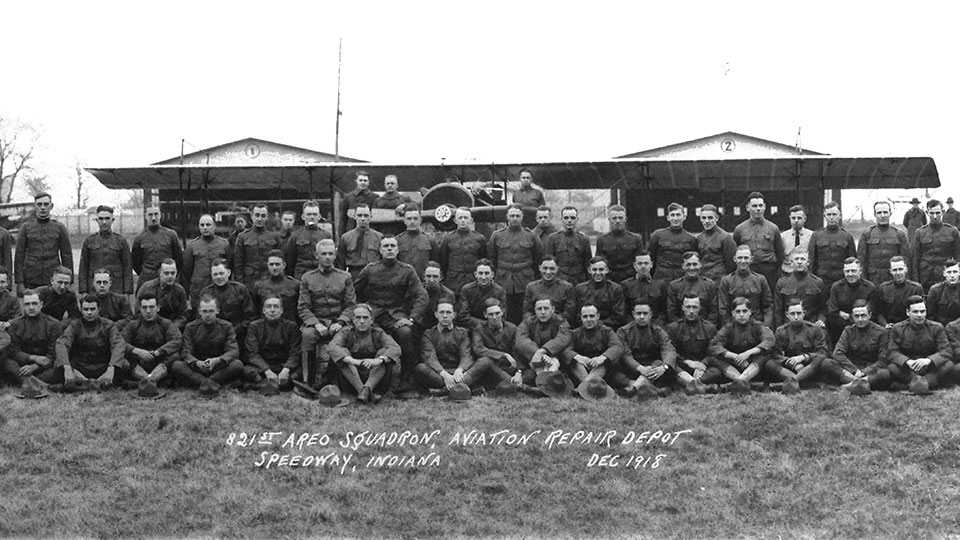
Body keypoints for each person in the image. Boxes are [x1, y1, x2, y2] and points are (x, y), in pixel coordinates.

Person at [354, 236, 428, 385]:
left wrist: (411, 318)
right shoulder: (370, 269)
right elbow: (354, 291)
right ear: (380, 250)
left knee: (405, 332)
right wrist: (361, 310)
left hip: (396, 314)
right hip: (373, 314)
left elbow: (421, 295)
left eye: (392, 246)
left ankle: (407, 376)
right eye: (386, 246)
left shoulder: (407, 270)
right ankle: (363, 375)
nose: (389, 249)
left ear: (398, 249)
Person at [298, 239, 356, 392]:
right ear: (316, 256)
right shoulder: (307, 278)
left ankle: (329, 377)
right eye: (324, 254)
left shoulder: (345, 277)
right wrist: (316, 323)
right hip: (317, 322)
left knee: (341, 337)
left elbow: (351, 305)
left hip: (338, 321)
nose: (328, 257)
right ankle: (308, 382)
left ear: (335, 255)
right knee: (307, 335)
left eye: (331, 254)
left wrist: (341, 322)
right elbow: (303, 307)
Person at [328, 303, 400, 402]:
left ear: (371, 320)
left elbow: (395, 348)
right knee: (343, 352)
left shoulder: (378, 333)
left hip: (376, 379)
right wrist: (352, 360)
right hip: (351, 380)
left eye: (365, 318)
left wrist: (378, 360)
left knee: (383, 352)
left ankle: (366, 390)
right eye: (358, 318)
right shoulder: (346, 332)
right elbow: (332, 347)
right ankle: (364, 391)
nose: (362, 321)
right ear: (353, 320)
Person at [414, 301, 492, 393]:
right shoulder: (428, 334)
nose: (445, 316)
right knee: (421, 368)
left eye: (448, 312)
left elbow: (466, 354)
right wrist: (444, 374)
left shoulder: (462, 333)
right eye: (441, 312)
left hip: (459, 373)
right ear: (436, 315)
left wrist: (460, 370)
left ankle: (444, 390)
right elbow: (430, 357)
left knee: (484, 361)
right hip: (439, 374)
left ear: (454, 315)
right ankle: (462, 388)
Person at [172, 295, 244, 393]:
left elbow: (233, 350)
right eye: (205, 311)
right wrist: (197, 363)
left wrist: (218, 360)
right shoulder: (191, 327)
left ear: (217, 311)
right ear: (199, 312)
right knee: (177, 365)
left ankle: (204, 383)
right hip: (198, 367)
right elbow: (186, 352)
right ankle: (210, 383)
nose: (208, 315)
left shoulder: (227, 326)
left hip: (218, 367)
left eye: (211, 311)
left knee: (237, 365)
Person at [54, 294, 127, 388]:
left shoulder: (109, 325)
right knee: (58, 365)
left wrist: (112, 367)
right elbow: (62, 343)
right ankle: (94, 382)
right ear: (81, 310)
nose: (89, 313)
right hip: (80, 366)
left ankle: (85, 383)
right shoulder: (74, 326)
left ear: (99, 309)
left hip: (103, 366)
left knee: (124, 364)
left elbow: (118, 344)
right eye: (85, 309)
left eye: (92, 309)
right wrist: (67, 367)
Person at [886, 295, 954, 394]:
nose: (919, 315)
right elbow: (892, 352)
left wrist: (929, 360)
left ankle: (913, 385)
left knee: (949, 364)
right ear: (907, 312)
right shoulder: (898, 328)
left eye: (922, 311)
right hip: (909, 369)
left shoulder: (936, 327)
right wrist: (907, 361)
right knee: (892, 367)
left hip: (929, 367)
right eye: (915, 312)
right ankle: (925, 384)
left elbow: (946, 351)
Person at [709, 296, 776, 394]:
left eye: (744, 311)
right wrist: (734, 356)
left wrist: (749, 353)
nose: (741, 315)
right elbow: (714, 345)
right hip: (734, 363)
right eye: (738, 311)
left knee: (766, 355)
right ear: (733, 313)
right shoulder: (728, 328)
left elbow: (769, 340)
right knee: (714, 358)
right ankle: (742, 381)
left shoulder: (757, 326)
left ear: (750, 312)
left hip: (753, 364)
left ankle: (739, 381)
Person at [488, 203, 542, 324]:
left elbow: (538, 259)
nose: (515, 218)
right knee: (505, 311)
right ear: (507, 216)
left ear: (522, 217)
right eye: (512, 215)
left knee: (524, 311)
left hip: (525, 280)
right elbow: (492, 259)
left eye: (518, 215)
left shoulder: (531, 235)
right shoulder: (497, 235)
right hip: (503, 281)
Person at [821, 299, 891, 392]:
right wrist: (855, 370)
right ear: (853, 317)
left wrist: (863, 372)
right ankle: (859, 384)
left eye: (863, 316)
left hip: (870, 370)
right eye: (856, 316)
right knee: (826, 363)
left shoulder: (881, 332)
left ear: (870, 315)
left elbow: (882, 360)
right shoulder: (848, 330)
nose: (860, 319)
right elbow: (838, 353)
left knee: (885, 374)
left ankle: (849, 385)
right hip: (851, 370)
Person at [665, 293, 724, 394]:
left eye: (694, 307)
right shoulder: (673, 328)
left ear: (700, 308)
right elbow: (670, 351)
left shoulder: (709, 328)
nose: (691, 311)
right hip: (682, 366)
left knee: (717, 372)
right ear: (683, 308)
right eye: (688, 307)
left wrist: (702, 364)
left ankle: (689, 384)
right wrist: (688, 362)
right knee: (669, 368)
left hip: (702, 368)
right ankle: (705, 387)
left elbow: (713, 351)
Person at [15, 192, 72, 295]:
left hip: (52, 279)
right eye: (39, 204)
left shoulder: (59, 228)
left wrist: (69, 281)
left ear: (51, 206)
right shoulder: (26, 227)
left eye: (46, 204)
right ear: (35, 206)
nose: (42, 208)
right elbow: (19, 256)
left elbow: (67, 256)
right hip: (31, 279)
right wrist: (20, 282)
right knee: (31, 308)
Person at [768, 299, 830, 393]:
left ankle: (788, 383)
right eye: (792, 314)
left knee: (823, 360)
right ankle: (800, 381)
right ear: (787, 315)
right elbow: (775, 354)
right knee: (769, 363)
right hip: (791, 368)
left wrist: (804, 357)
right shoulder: (781, 331)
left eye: (799, 313)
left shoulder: (815, 329)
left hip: (811, 367)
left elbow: (823, 352)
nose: (796, 317)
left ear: (804, 313)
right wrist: (792, 363)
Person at [616, 300, 675, 397]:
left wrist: (663, 367)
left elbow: (668, 349)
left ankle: (634, 387)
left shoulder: (658, 330)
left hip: (652, 369)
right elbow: (626, 355)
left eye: (645, 313)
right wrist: (640, 368)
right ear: (633, 314)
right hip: (632, 368)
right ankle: (653, 388)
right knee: (615, 375)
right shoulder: (623, 331)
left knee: (659, 364)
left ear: (650, 314)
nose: (642, 317)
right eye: (639, 313)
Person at [2, 290, 61, 386]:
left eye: (34, 303)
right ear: (23, 306)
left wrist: (35, 366)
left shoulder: (53, 324)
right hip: (22, 366)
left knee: (58, 366)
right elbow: (13, 351)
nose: (31, 307)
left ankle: (28, 382)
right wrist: (33, 358)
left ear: (41, 304)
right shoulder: (15, 324)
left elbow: (53, 353)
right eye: (27, 304)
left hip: (44, 366)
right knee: (8, 363)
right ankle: (37, 383)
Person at [243, 295, 301, 392]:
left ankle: (265, 385)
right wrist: (267, 370)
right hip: (263, 367)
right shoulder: (254, 326)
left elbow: (295, 352)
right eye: (269, 307)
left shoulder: (291, 326)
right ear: (263, 310)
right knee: (246, 370)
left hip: (283, 365)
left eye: (276, 307)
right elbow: (252, 354)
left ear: (281, 310)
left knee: (302, 370)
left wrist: (286, 369)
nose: (272, 310)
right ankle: (278, 385)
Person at [122, 293, 182, 386]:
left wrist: (158, 352)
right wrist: (138, 351)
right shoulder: (132, 325)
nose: (148, 311)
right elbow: (121, 342)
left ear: (158, 308)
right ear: (140, 309)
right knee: (122, 359)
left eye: (151, 307)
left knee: (175, 356)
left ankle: (147, 380)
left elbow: (177, 340)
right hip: (139, 364)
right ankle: (151, 380)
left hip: (160, 364)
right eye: (144, 307)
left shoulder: (166, 324)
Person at [732, 191, 784, 292]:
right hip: (749, 269)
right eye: (754, 206)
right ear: (748, 207)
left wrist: (772, 268)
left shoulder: (773, 228)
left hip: (769, 270)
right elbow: (735, 250)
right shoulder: (740, 229)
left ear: (765, 207)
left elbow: (780, 253)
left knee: (769, 299)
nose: (758, 209)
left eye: (760, 205)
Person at [562, 304, 625, 385]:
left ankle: (585, 386)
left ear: (598, 316)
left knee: (604, 364)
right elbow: (565, 349)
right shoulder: (575, 333)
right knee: (574, 361)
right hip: (581, 369)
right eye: (585, 316)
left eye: (592, 316)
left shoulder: (607, 331)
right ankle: (589, 386)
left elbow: (617, 347)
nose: (588, 319)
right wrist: (579, 357)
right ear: (581, 317)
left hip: (601, 369)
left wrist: (602, 358)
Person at [78, 205, 133, 295]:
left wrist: (127, 292)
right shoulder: (89, 241)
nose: (104, 222)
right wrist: (83, 291)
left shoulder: (121, 241)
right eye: (101, 219)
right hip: (94, 288)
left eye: (107, 218)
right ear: (97, 220)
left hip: (116, 288)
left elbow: (127, 268)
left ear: (112, 220)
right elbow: (83, 268)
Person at [515, 298, 572, 381]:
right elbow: (521, 341)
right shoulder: (527, 322)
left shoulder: (561, 321)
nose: (542, 312)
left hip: (555, 357)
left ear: (553, 309)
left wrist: (542, 351)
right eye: (539, 309)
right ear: (534, 310)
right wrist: (539, 354)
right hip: (534, 357)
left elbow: (562, 339)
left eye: (546, 308)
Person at [183, 214, 234, 306]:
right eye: (202, 225)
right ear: (199, 227)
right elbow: (187, 271)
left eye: (208, 225)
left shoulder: (224, 245)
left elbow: (230, 266)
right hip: (199, 289)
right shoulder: (192, 246)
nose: (205, 228)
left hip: (220, 288)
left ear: (214, 226)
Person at [471, 298, 523, 387]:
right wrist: (504, 355)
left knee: (529, 375)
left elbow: (517, 352)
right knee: (484, 362)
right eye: (491, 314)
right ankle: (522, 387)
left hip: (507, 367)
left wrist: (519, 372)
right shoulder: (479, 329)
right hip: (489, 367)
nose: (494, 317)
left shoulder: (512, 328)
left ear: (502, 312)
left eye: (497, 313)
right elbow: (478, 349)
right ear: (485, 315)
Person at [718, 245, 774, 327]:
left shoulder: (760, 280)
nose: (743, 261)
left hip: (757, 325)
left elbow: (768, 306)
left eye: (746, 258)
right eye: (740, 258)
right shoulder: (726, 281)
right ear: (734, 259)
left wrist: (766, 326)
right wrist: (729, 328)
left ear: (751, 259)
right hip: (734, 326)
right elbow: (723, 309)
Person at [826, 258, 878, 345]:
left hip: (865, 332)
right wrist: (854, 320)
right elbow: (832, 314)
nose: (850, 274)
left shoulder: (870, 288)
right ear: (844, 272)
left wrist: (847, 316)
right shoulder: (836, 287)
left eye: (853, 271)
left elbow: (871, 315)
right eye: (847, 271)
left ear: (860, 271)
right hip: (841, 331)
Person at [858, 201, 911, 286]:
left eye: (885, 212)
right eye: (879, 213)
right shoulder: (867, 234)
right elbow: (861, 260)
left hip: (893, 280)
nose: (882, 216)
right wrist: (864, 283)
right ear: (875, 214)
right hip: (872, 280)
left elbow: (906, 260)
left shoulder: (899, 234)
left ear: (890, 213)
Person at [132, 205, 183, 293]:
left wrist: (169, 273)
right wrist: (146, 272)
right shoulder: (139, 238)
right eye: (150, 215)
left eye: (156, 214)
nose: (154, 218)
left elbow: (179, 258)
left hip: (167, 279)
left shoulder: (171, 235)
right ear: (146, 216)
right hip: (147, 279)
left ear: (160, 215)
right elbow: (135, 262)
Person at [199, 258, 256, 335]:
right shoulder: (206, 292)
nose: (218, 277)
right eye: (215, 274)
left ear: (229, 272)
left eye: (221, 273)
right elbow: (201, 318)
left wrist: (233, 331)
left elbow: (249, 317)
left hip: (238, 334)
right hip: (213, 335)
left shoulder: (240, 289)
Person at [912, 199, 960, 291]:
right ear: (927, 212)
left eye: (938, 213)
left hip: (945, 276)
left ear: (943, 212)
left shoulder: (952, 231)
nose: (935, 216)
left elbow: (958, 256)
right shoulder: (920, 233)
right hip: (925, 277)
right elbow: (915, 259)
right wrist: (915, 281)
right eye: (932, 213)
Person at [809, 202, 858, 291]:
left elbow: (852, 261)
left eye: (834, 214)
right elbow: (811, 261)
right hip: (821, 280)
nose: (831, 217)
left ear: (840, 216)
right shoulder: (816, 235)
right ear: (824, 216)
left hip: (841, 281)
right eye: (829, 214)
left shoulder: (847, 236)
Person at [438, 207, 487, 295]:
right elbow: (443, 262)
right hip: (454, 283)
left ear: (471, 220)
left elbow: (484, 259)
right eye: (460, 218)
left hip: (473, 282)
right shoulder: (448, 239)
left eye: (466, 218)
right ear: (455, 220)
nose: (463, 220)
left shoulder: (479, 238)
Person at [233, 202, 283, 290]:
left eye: (263, 216)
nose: (259, 219)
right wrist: (240, 286)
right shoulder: (242, 237)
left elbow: (281, 261)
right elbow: (238, 264)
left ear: (267, 217)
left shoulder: (275, 237)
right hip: (249, 282)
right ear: (252, 216)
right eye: (257, 215)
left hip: (269, 280)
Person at [772, 248, 826, 329]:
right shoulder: (782, 283)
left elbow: (823, 308)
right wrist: (780, 329)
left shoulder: (817, 283)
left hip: (812, 327)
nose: (799, 262)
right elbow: (778, 311)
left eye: (803, 259)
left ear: (808, 262)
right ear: (791, 262)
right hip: (789, 328)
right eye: (796, 259)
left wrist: (821, 320)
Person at [647, 202, 698, 281]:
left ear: (684, 217)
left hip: (681, 278)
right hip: (661, 277)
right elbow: (651, 258)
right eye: (672, 215)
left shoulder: (691, 239)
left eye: (678, 215)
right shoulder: (657, 235)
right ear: (668, 217)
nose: (675, 218)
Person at [572, 256, 626, 329]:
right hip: (584, 329)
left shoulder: (616, 289)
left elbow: (619, 316)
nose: (598, 273)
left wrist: (597, 324)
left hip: (608, 329)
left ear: (607, 270)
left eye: (601, 269)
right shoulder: (580, 289)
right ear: (589, 270)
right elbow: (576, 315)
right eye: (594, 269)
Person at [543, 206, 592, 285]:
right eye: (566, 218)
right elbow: (548, 263)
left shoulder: (584, 239)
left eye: (572, 218)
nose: (569, 221)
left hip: (579, 282)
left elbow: (588, 265)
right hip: (559, 282)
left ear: (577, 219)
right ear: (561, 219)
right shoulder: (552, 239)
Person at [596, 205, 644, 284]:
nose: (617, 221)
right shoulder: (602, 240)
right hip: (609, 281)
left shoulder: (636, 239)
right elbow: (599, 262)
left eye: (620, 218)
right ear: (609, 220)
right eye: (614, 218)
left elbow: (640, 261)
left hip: (630, 280)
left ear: (625, 219)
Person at [283, 200, 332, 280]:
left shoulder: (326, 235)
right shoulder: (295, 236)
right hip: (302, 276)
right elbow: (290, 260)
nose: (312, 217)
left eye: (314, 214)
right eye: (309, 214)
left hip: (321, 276)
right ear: (303, 216)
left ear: (319, 216)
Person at [666, 252, 718, 324]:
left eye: (695, 264)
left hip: (705, 330)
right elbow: (672, 313)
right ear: (683, 266)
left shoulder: (710, 285)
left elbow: (714, 312)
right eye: (688, 264)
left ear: (700, 265)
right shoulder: (674, 286)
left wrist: (707, 329)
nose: (692, 268)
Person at [137, 258, 190, 330]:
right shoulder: (146, 288)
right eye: (166, 273)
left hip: (172, 327)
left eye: (173, 273)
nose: (170, 276)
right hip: (149, 326)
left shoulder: (180, 291)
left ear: (176, 272)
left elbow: (183, 317)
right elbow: (138, 313)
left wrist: (171, 327)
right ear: (159, 273)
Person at [251, 250, 300, 323]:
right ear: (267, 265)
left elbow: (299, 310)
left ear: (284, 265)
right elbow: (255, 309)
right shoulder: (259, 285)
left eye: (277, 264)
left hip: (289, 327)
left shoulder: (295, 285)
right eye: (271, 264)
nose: (274, 267)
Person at [522, 256, 575, 323]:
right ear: (539, 268)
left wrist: (555, 322)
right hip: (536, 325)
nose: (548, 272)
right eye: (545, 268)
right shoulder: (531, 287)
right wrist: (532, 324)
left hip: (559, 325)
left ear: (557, 269)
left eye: (552, 269)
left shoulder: (567, 287)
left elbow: (568, 313)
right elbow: (527, 312)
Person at [457, 259, 507, 329]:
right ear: (475, 274)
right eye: (480, 273)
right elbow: (463, 316)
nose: (483, 277)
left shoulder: (500, 291)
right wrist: (484, 324)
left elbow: (502, 315)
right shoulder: (466, 289)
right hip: (472, 327)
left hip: (493, 328)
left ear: (492, 274)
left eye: (486, 273)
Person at [620, 251, 668, 325]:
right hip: (632, 329)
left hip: (656, 328)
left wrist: (656, 327)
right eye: (640, 263)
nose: (643, 266)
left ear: (651, 264)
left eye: (646, 263)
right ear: (634, 265)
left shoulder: (660, 285)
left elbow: (664, 311)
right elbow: (624, 312)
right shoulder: (626, 285)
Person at [337, 203, 383, 280]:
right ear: (354, 216)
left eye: (366, 216)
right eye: (359, 215)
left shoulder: (379, 237)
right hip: (354, 275)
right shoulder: (345, 238)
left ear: (371, 217)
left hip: (374, 276)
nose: (362, 219)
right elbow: (340, 263)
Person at [875, 256, 924, 327]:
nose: (898, 273)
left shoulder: (916, 288)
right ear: (890, 271)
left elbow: (920, 311)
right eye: (895, 270)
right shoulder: (884, 288)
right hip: (890, 327)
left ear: (906, 269)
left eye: (900, 269)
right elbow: (879, 313)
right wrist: (885, 325)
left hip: (910, 327)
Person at [395, 205, 438, 279]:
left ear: (420, 220)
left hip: (423, 283)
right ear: (404, 221)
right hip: (403, 282)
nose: (412, 222)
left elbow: (436, 264)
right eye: (409, 219)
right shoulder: (397, 241)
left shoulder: (430, 241)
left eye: (415, 218)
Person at [697, 204, 736, 282]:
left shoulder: (725, 238)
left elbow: (731, 265)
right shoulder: (699, 238)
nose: (707, 221)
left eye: (710, 218)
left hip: (719, 280)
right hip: (703, 280)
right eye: (704, 218)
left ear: (717, 218)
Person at [779, 205, 813, 275]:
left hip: (806, 275)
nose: (796, 220)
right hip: (787, 274)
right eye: (793, 218)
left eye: (799, 218)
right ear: (790, 218)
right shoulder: (782, 237)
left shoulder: (812, 236)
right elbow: (779, 257)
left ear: (805, 219)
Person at [925, 259, 960, 325]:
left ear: (959, 273)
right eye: (949, 272)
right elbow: (930, 315)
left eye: (955, 272)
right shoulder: (935, 290)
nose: (952, 275)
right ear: (944, 274)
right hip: (940, 327)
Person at [422, 262, 455, 330]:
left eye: (435, 276)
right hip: (419, 326)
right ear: (424, 277)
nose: (431, 280)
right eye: (428, 276)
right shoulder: (416, 290)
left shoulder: (448, 294)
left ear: (441, 278)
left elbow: (451, 317)